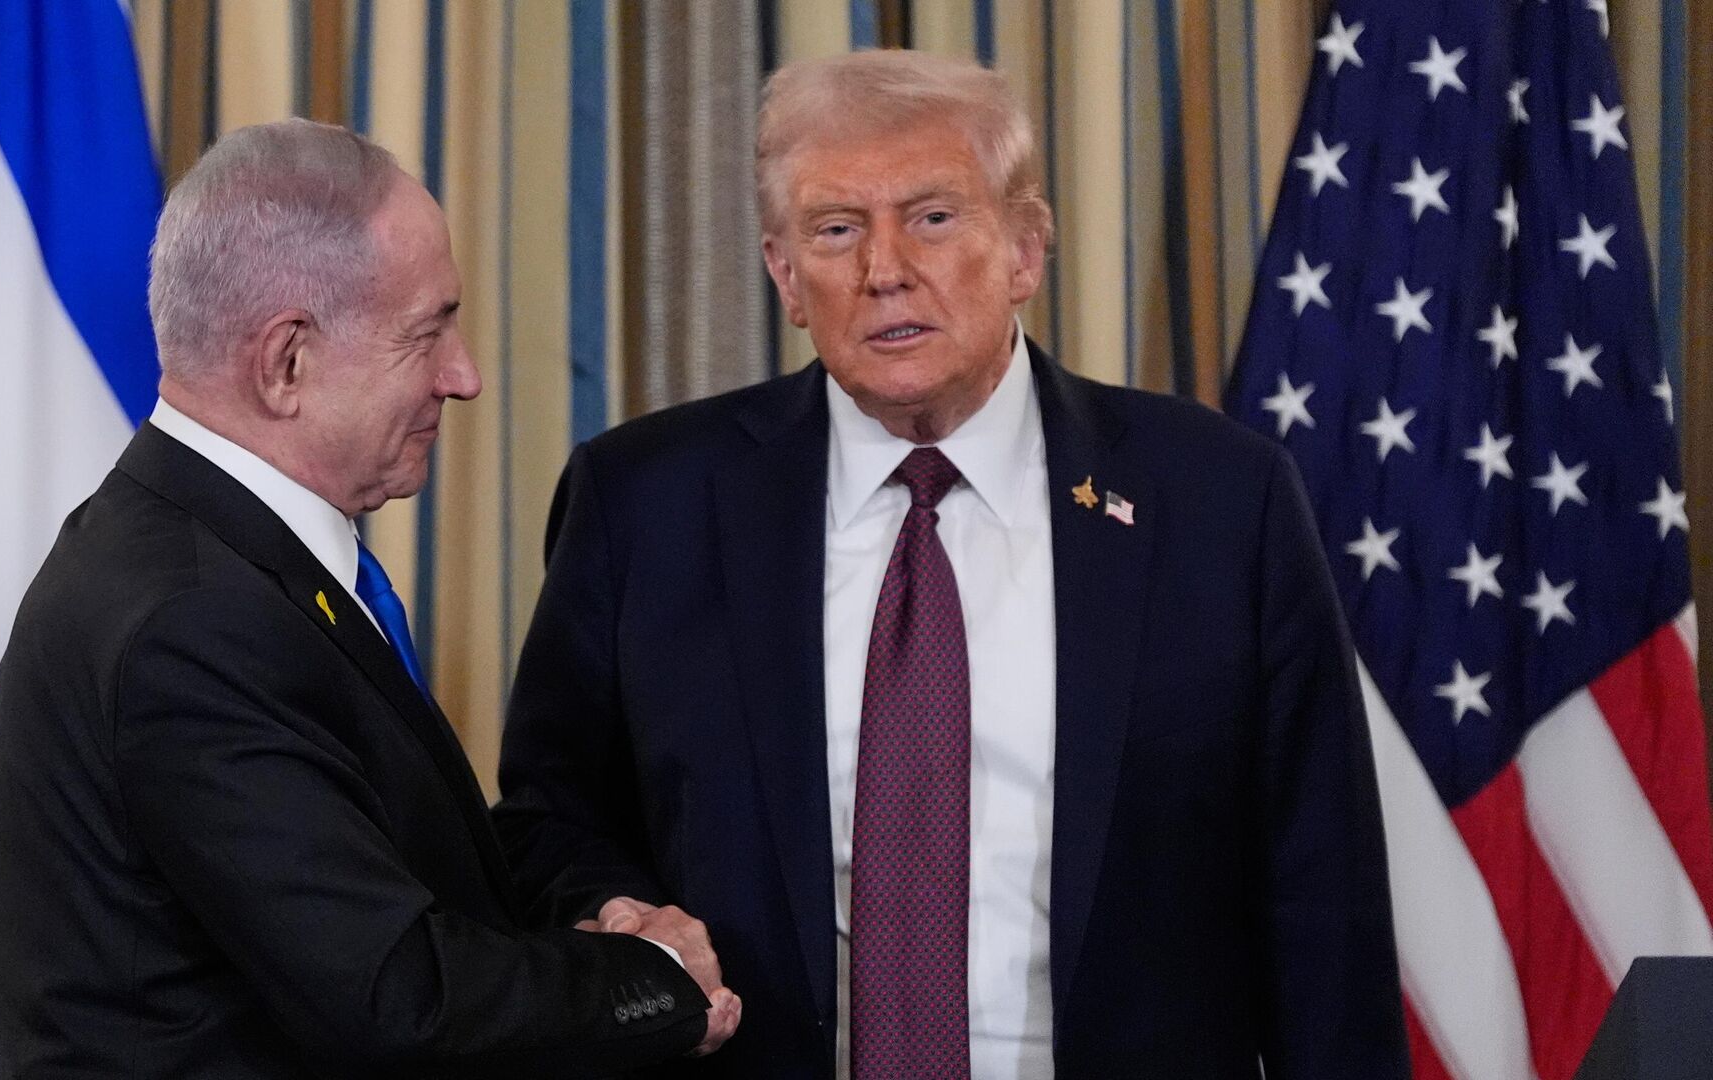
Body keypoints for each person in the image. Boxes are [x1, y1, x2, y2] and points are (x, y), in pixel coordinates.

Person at [495, 50, 1408, 1079]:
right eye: (836, 230)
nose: (885, 269)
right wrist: (622, 915)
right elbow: (547, 821)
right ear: (786, 276)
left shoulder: (1218, 500)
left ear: (1025, 249)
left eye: (932, 217)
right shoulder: (646, 503)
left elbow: (1323, 898)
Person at [0, 119, 739, 1078]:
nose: (464, 377)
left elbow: (387, 885)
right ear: (286, 362)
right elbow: (397, 999)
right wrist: (654, 980)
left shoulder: (206, 557)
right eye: (428, 332)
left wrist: (580, 926)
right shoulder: (192, 621)